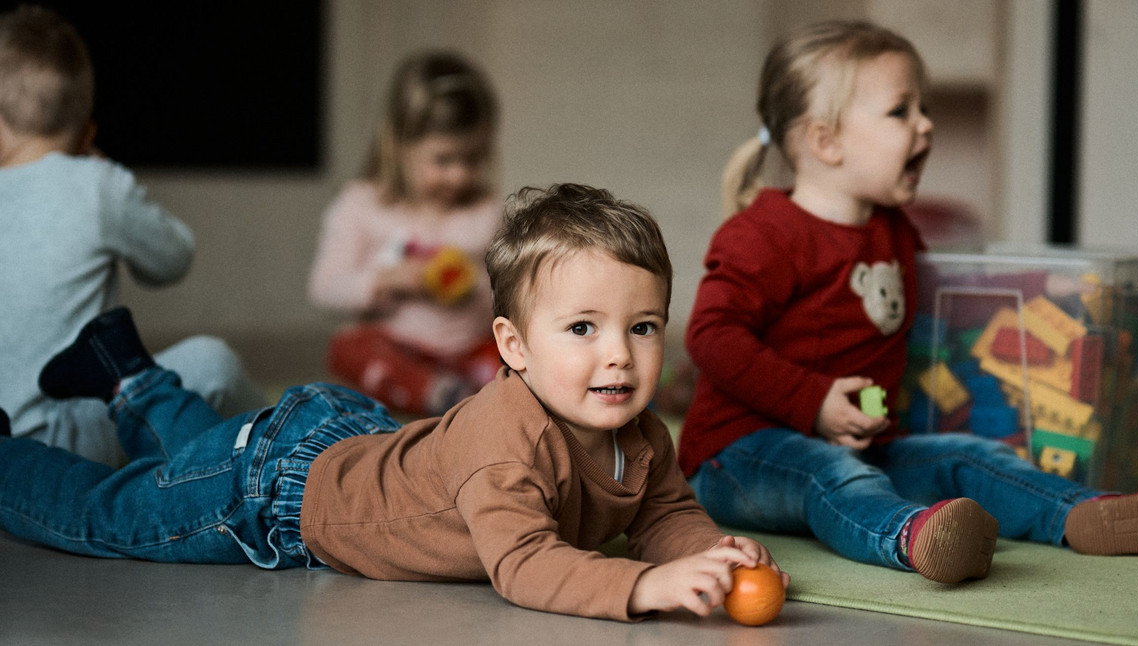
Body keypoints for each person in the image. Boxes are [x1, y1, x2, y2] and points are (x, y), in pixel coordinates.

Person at [0, 183, 790, 622]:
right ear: (513, 347)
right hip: (279, 495)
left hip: (351, 438)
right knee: (111, 514)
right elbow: (522, 562)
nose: (618, 353)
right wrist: (640, 587)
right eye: (583, 328)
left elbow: (661, 512)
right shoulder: (507, 439)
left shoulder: (640, 433)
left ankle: (129, 376)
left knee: (202, 451)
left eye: (643, 327)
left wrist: (706, 553)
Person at [676, 20, 1138, 585]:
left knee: (969, 457)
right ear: (826, 141)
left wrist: (1046, 286)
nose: (926, 124)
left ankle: (1092, 515)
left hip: (869, 442)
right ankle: (914, 537)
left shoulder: (894, 230)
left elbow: (959, 300)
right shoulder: (761, 234)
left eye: (922, 108)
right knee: (830, 474)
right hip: (738, 455)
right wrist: (815, 400)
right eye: (900, 111)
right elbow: (711, 337)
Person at [0, 5, 264, 467]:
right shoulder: (95, 185)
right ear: (87, 134)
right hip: (67, 440)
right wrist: (99, 168)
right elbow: (173, 258)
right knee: (212, 361)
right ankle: (288, 452)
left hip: (5, 444)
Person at [308, 50, 503, 417]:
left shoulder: (483, 213)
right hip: (397, 348)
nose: (460, 175)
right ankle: (436, 393)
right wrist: (386, 280)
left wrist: (472, 284)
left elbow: (507, 294)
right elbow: (324, 288)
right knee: (348, 348)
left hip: (469, 350)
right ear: (399, 146)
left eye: (473, 159)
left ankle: (476, 395)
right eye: (444, 160)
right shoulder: (362, 205)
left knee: (519, 357)